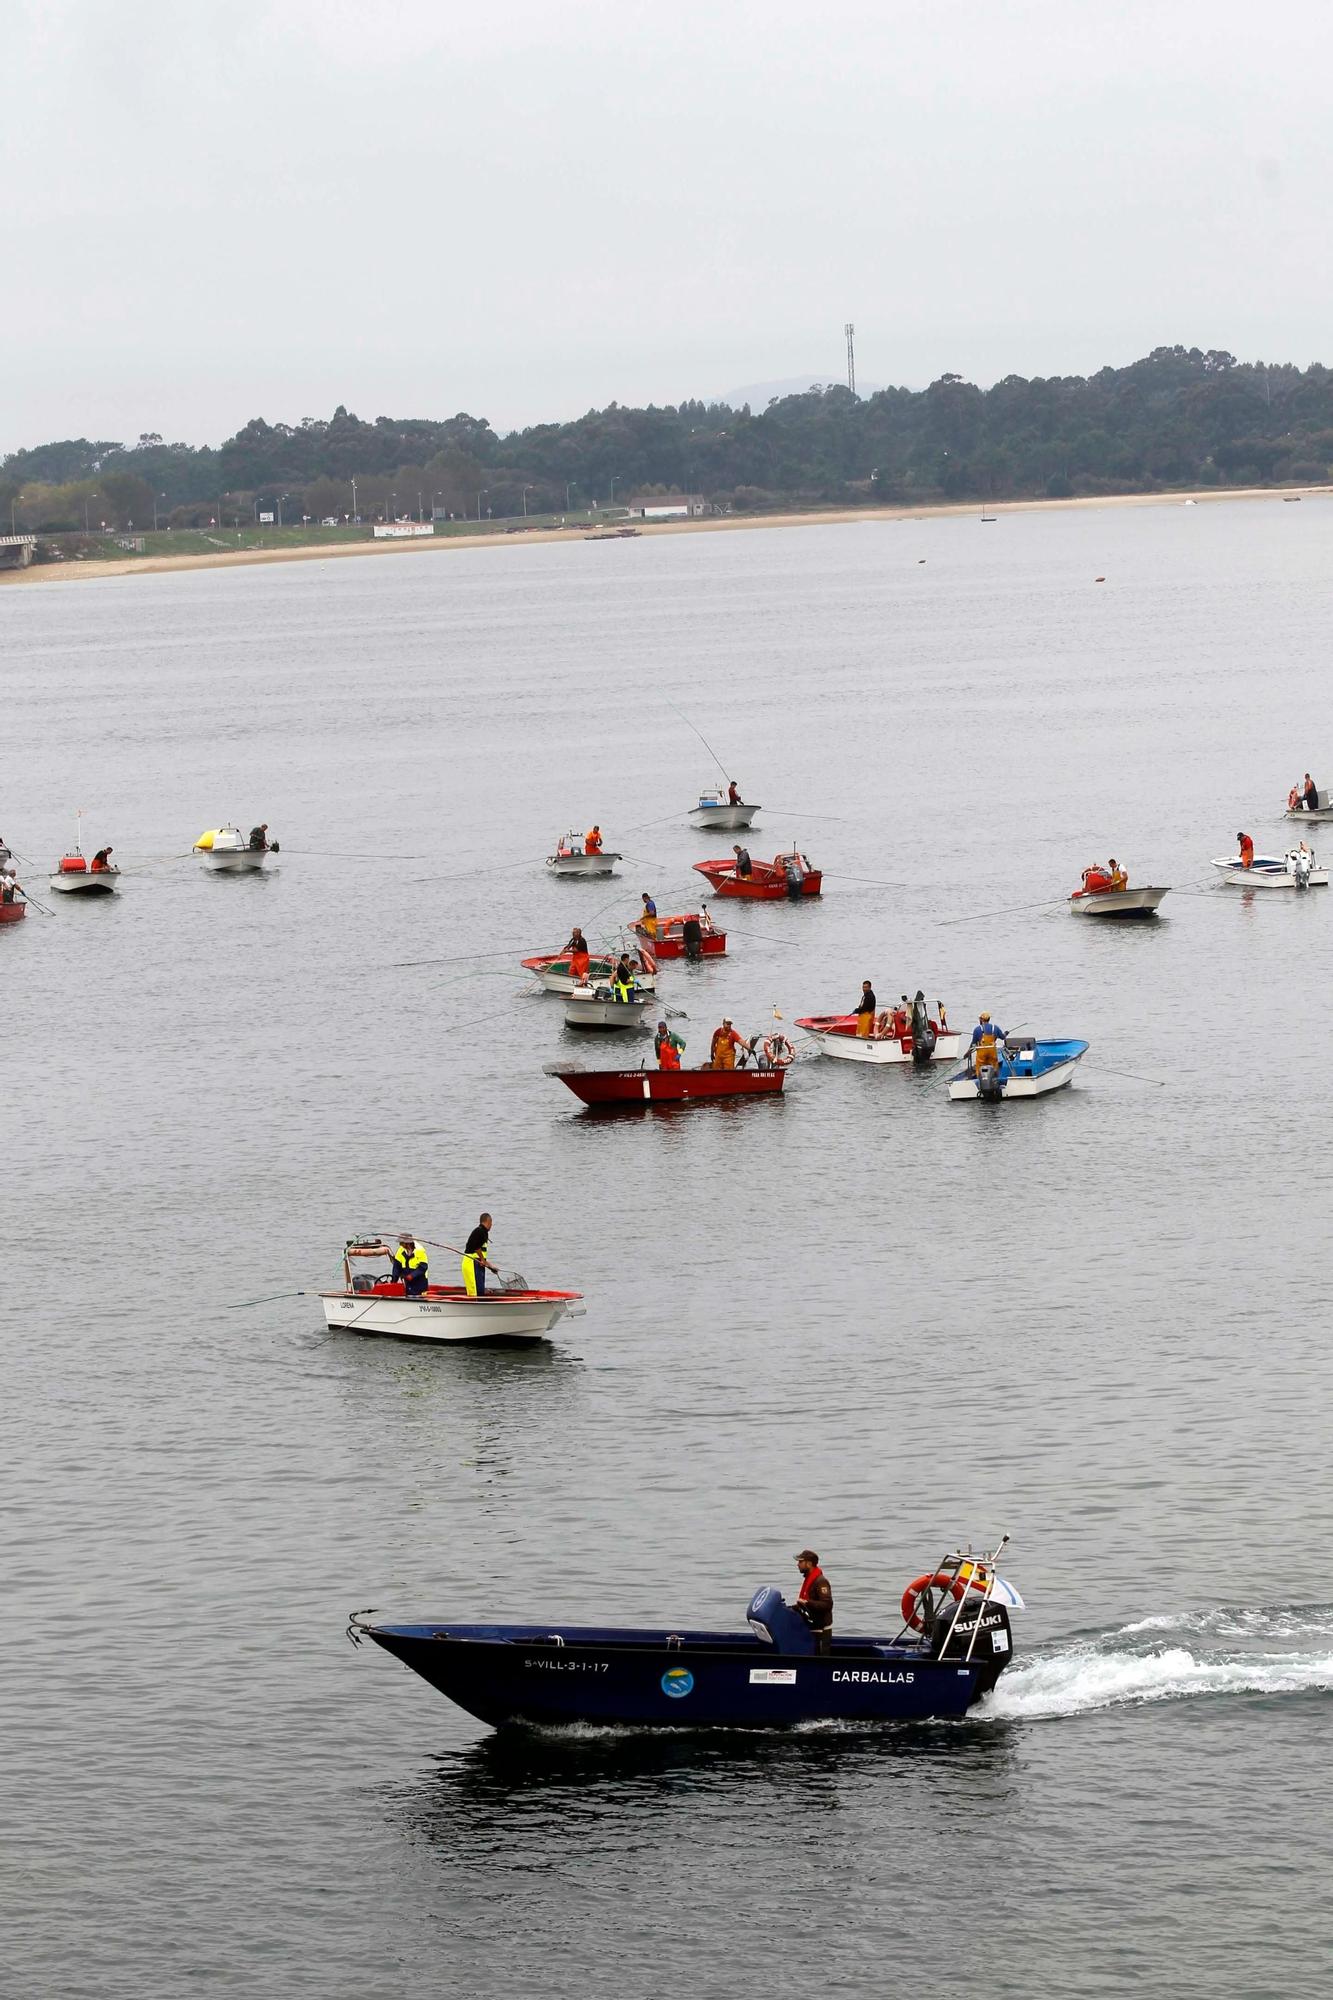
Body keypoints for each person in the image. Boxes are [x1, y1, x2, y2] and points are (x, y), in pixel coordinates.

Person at [794, 1550, 833, 1656]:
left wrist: (807, 1602)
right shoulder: (808, 1580)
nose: (798, 1564)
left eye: (800, 1562)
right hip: (811, 1628)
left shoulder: (821, 1581)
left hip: (821, 1631)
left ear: (809, 1563)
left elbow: (827, 1604)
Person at [462, 1213, 492, 1297]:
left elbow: (481, 1254)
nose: (491, 1226)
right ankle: (474, 1307)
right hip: (471, 1263)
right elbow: (476, 1247)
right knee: (475, 1291)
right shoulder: (480, 1231)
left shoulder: (483, 1232)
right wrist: (482, 1260)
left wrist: (491, 1266)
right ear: (488, 1221)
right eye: (491, 1223)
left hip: (477, 1263)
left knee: (480, 1290)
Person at [391, 1233, 430, 1297]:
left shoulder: (419, 1250)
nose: (400, 1244)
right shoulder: (400, 1250)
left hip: (420, 1281)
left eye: (401, 1243)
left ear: (408, 1243)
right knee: (408, 1294)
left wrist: (412, 1275)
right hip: (407, 1280)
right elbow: (396, 1267)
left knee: (418, 1296)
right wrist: (394, 1281)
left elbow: (423, 1267)